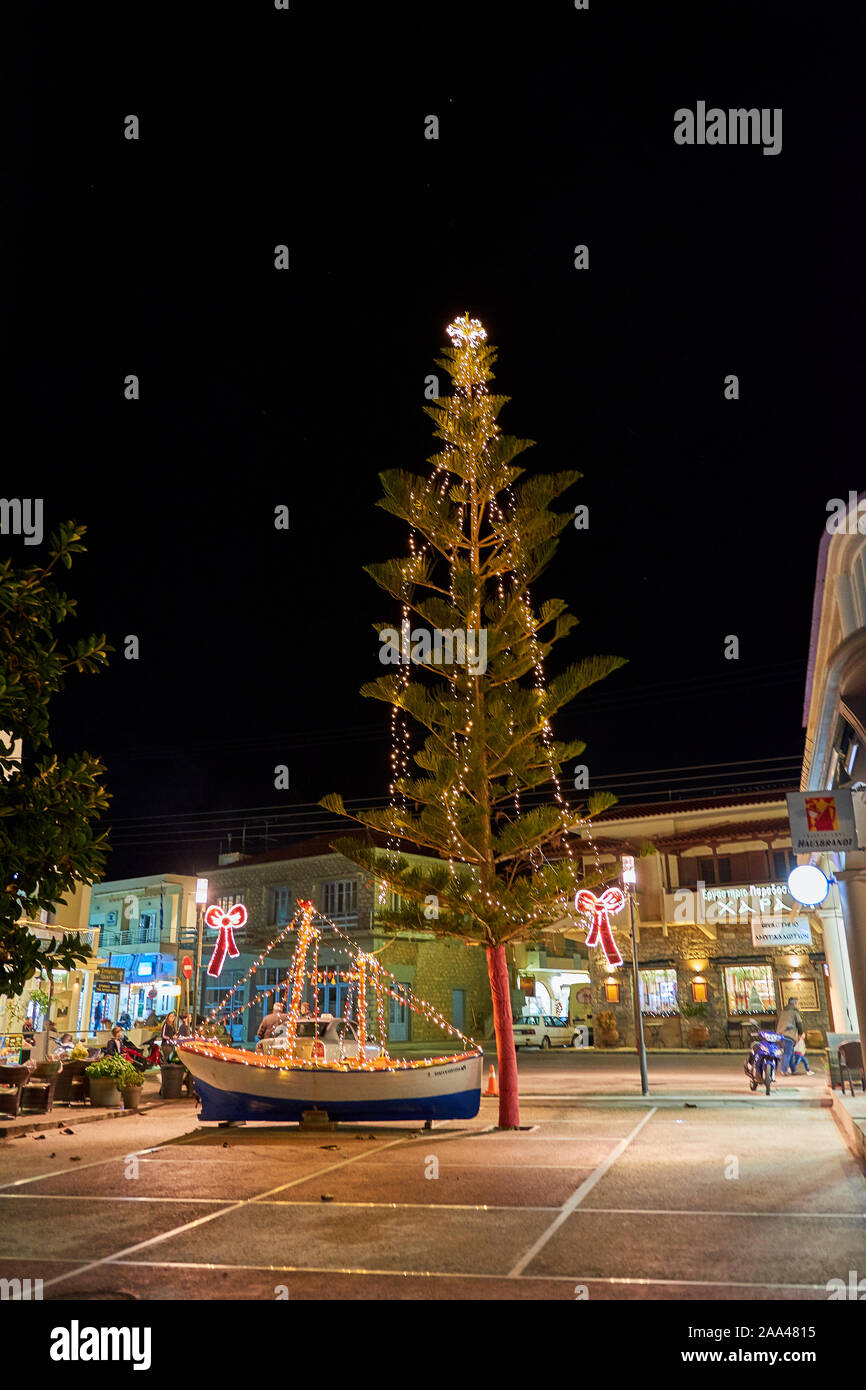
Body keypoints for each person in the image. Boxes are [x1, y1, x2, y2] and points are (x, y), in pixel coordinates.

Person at [776, 996, 804, 1076]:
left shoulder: (783, 1011)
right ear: (795, 1003)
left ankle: (793, 1070)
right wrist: (800, 1034)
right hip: (789, 1034)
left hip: (780, 1034)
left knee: (790, 1052)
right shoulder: (794, 1012)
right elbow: (799, 1023)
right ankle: (783, 1070)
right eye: (797, 1003)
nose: (797, 1005)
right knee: (788, 1053)